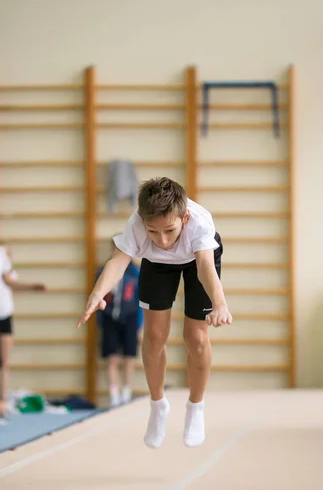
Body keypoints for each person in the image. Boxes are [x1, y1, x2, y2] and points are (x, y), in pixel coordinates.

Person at [78, 177, 232, 448]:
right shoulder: (137, 226)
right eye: (153, 232)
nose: (162, 240)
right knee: (153, 337)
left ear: (184, 218)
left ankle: (196, 406)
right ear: (142, 221)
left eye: (169, 231)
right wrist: (97, 294)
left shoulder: (199, 225)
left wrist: (220, 304)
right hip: (158, 265)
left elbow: (206, 268)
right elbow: (117, 262)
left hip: (197, 259)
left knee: (195, 337)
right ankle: (158, 405)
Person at [0, 243, 46, 420]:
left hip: (3, 313)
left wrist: (31, 287)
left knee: (4, 361)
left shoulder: (2, 254)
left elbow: (10, 282)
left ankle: (3, 402)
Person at [97, 245, 143, 407]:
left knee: (129, 357)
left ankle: (126, 392)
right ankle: (114, 393)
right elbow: (98, 295)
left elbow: (140, 300)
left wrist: (139, 325)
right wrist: (100, 320)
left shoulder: (135, 272)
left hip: (130, 317)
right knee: (111, 357)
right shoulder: (104, 270)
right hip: (109, 317)